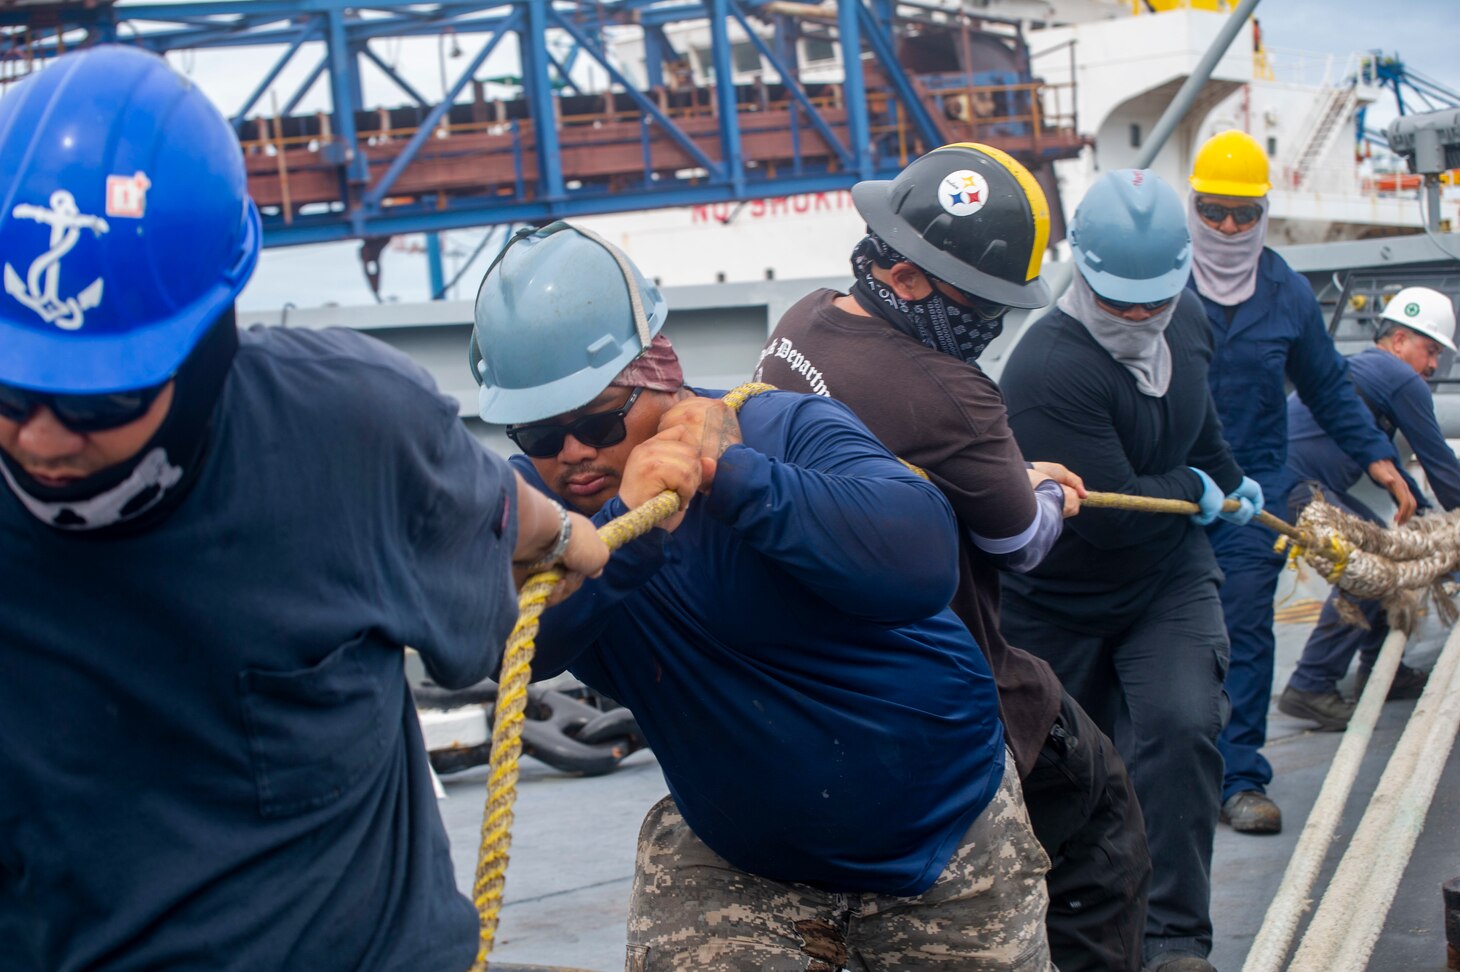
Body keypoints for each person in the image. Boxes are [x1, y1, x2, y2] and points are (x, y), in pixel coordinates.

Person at [0, 46, 608, 972]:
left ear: (206, 345)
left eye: (97, 402)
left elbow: (509, 518)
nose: (40, 439)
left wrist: (568, 534)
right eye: (9, 391)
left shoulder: (353, 434)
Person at [470, 220, 1056, 971]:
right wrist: (627, 529)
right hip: (740, 857)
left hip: (943, 836)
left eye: (595, 420)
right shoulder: (539, 520)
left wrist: (733, 476)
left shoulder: (780, 426)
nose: (573, 452)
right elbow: (504, 646)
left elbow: (921, 558)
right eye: (538, 433)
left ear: (659, 377)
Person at [755, 142, 1151, 972]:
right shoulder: (953, 393)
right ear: (906, 280)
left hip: (798, 665)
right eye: (983, 303)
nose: (991, 323)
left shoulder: (802, 321)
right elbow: (1021, 541)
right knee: (1103, 810)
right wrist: (1045, 491)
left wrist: (1008, 474)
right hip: (938, 676)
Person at [998, 169, 1258, 972]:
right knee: (1060, 776)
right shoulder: (1047, 369)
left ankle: (1176, 941)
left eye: (1158, 299)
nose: (1142, 316)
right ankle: (1070, 938)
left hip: (1166, 581)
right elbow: (1111, 515)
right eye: (1123, 302)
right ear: (1085, 276)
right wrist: (1198, 491)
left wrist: (1230, 476)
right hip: (1059, 598)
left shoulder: (1186, 328)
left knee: (1182, 727)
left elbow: (1197, 429)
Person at [1185, 129, 1416, 835]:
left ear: (1263, 214)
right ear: (1193, 207)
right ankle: (1158, 779)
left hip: (1248, 493)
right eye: (1214, 210)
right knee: (1156, 637)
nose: (1228, 226)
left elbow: (1326, 385)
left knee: (1247, 635)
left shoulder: (1285, 290)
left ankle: (1241, 778)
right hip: (1163, 489)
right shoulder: (1157, 280)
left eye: (1243, 214)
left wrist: (1378, 457)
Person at [1278, 286, 1460, 727]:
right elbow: (1439, 465)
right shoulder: (1398, 377)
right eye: (1429, 350)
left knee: (1385, 546)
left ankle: (1384, 669)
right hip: (1296, 485)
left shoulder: (1366, 369)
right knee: (1370, 569)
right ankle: (1311, 684)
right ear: (1399, 341)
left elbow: (1395, 468)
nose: (1434, 365)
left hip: (1293, 479)